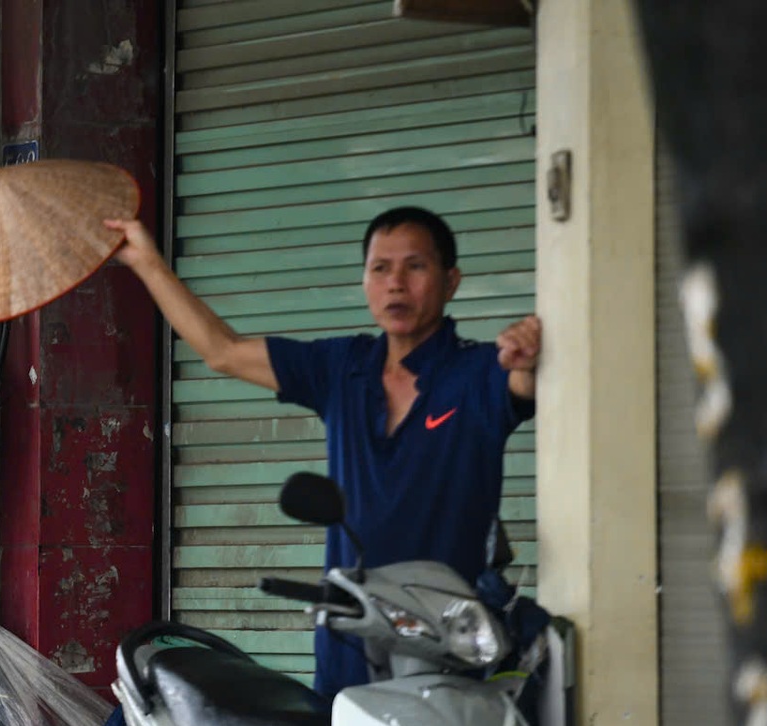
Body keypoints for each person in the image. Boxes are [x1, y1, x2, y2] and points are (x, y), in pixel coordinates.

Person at [104, 206, 542, 699]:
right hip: (349, 641)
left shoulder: (481, 374)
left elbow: (520, 382)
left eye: (415, 266)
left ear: (451, 281)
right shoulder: (341, 368)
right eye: (381, 268)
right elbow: (221, 350)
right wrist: (146, 263)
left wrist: (525, 357)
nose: (396, 283)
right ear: (365, 283)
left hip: (451, 646)